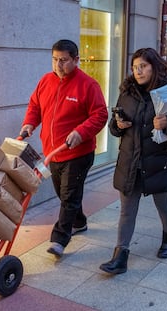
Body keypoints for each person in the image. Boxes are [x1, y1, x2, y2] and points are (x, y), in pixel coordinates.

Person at [99, 48, 167, 274]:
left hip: (160, 160)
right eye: (135, 67)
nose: (138, 71)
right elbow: (114, 126)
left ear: (154, 66)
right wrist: (118, 124)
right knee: (126, 210)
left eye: (142, 66)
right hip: (131, 161)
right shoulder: (127, 91)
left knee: (162, 204)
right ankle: (120, 255)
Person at [20, 39, 108, 257]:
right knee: (64, 194)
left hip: (78, 153)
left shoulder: (88, 85)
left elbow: (100, 115)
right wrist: (30, 123)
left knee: (68, 195)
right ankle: (79, 222)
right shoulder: (46, 81)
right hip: (53, 152)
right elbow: (35, 106)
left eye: (64, 61)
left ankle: (59, 239)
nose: (58, 65)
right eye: (55, 60)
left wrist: (81, 132)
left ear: (76, 60)